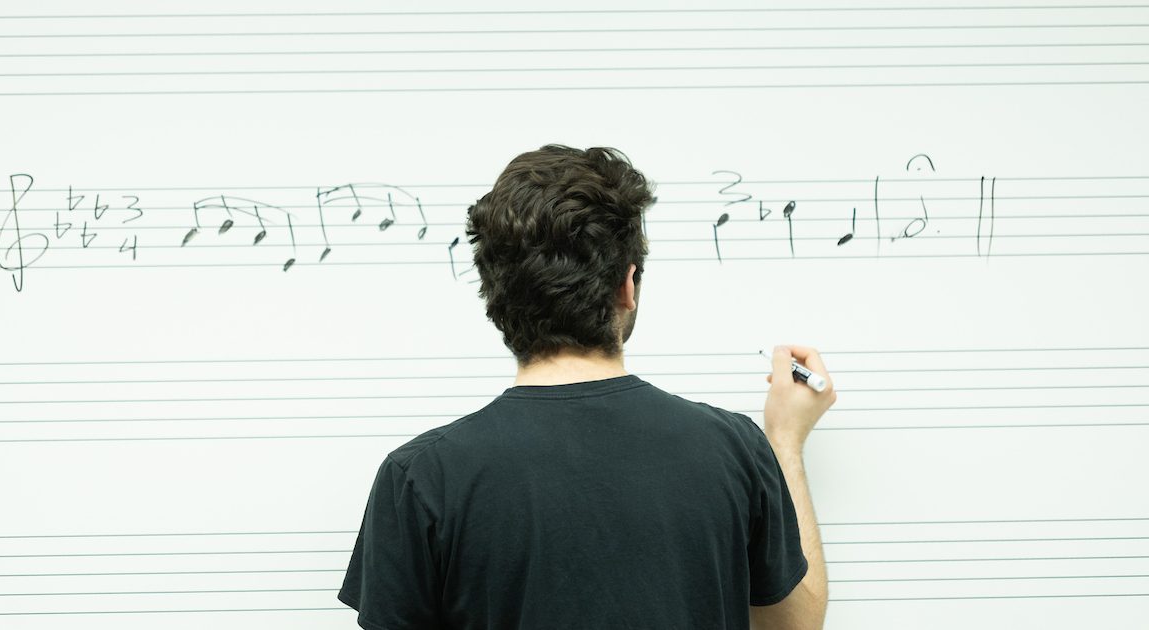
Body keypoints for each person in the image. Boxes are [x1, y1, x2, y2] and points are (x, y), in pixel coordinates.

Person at [338, 145, 835, 629]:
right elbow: (795, 626)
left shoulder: (420, 477)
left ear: (494, 292)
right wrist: (784, 446)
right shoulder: (735, 448)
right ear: (628, 285)